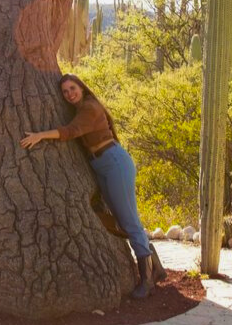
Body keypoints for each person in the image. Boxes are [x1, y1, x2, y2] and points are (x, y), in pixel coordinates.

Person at [20, 74, 162, 299]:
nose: (69, 94)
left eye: (72, 88)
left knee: (128, 219)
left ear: (82, 88)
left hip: (115, 163)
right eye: (65, 92)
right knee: (117, 217)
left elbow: (70, 132)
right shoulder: (80, 108)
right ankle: (156, 267)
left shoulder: (89, 108)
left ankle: (147, 280)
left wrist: (40, 136)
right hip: (102, 165)